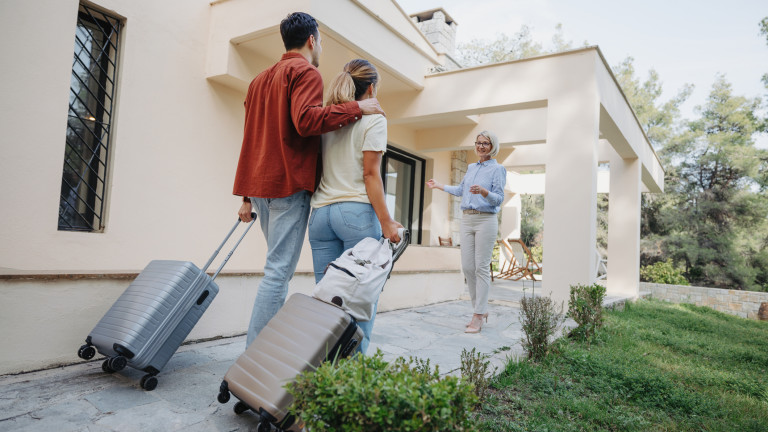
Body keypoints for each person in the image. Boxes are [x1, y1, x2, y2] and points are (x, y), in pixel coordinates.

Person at [233, 12, 385, 348]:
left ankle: (259, 351)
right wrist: (358, 109)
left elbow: (251, 137)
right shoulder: (305, 71)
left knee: (275, 268)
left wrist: (245, 196)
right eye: (322, 41)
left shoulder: (258, 80)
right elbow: (305, 121)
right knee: (278, 272)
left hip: (259, 188)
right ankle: (255, 354)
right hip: (286, 186)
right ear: (312, 40)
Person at [308, 59, 402, 354]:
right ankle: (355, 380)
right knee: (360, 299)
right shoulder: (374, 119)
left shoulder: (328, 119)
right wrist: (386, 221)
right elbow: (370, 174)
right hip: (355, 215)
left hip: (321, 215)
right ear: (371, 88)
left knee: (327, 301)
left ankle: (326, 374)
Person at [426, 131, 506, 333]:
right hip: (467, 219)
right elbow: (461, 190)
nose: (481, 146)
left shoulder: (497, 169)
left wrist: (484, 192)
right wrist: (439, 186)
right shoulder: (471, 167)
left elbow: (498, 199)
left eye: (485, 143)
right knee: (468, 267)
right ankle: (479, 309)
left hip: (486, 219)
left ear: (492, 146)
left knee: (481, 267)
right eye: (478, 143)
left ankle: (478, 315)